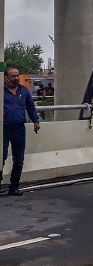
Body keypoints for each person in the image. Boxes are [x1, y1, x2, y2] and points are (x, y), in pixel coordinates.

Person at [2, 66, 40, 196]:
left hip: (19, 128)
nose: (17, 78)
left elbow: (30, 106)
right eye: (13, 76)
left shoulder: (23, 90)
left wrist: (35, 120)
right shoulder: (2, 91)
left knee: (18, 159)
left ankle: (14, 186)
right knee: (2, 156)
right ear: (6, 77)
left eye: (18, 75)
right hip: (3, 129)